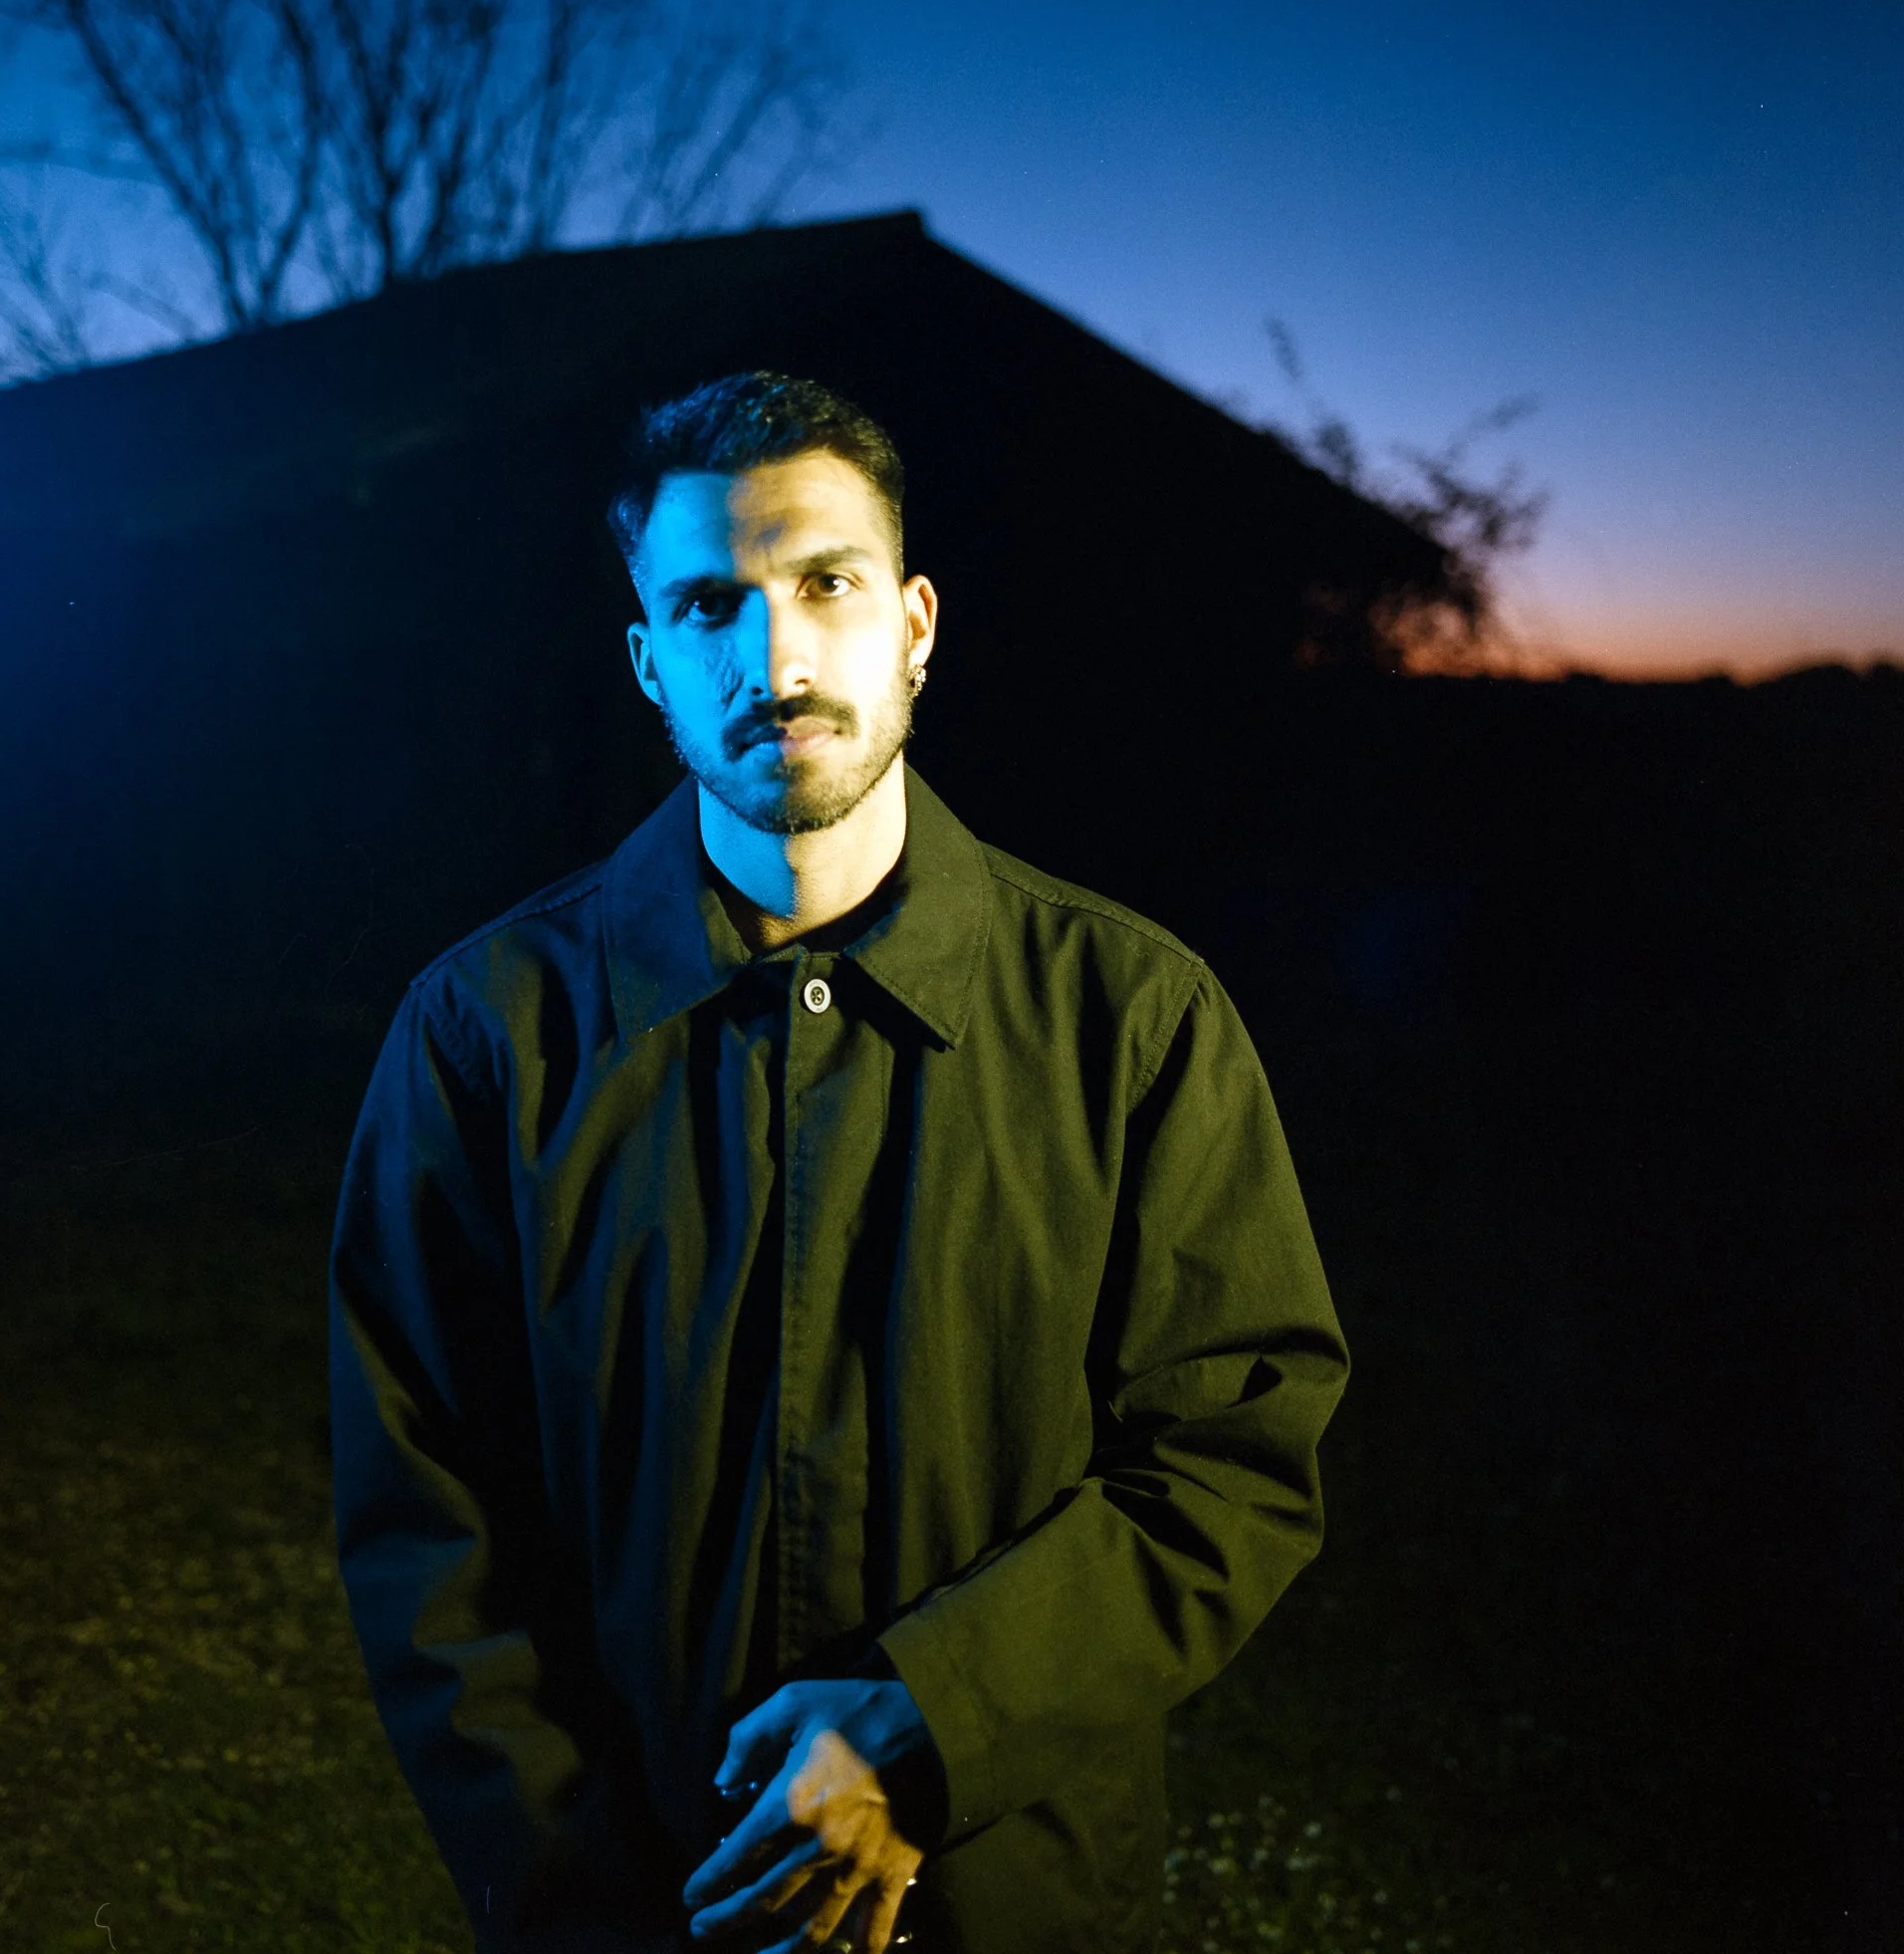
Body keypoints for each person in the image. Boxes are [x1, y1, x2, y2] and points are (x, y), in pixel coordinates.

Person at [329, 370, 1350, 1954]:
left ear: (917, 623)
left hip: (1015, 1904)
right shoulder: (487, 1036)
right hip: (639, 1909)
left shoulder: (1131, 1019)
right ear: (649, 663)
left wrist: (929, 1717)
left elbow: (1231, 1461)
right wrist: (582, 1901)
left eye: (826, 584)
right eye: (710, 604)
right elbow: (427, 1512)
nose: (779, 657)